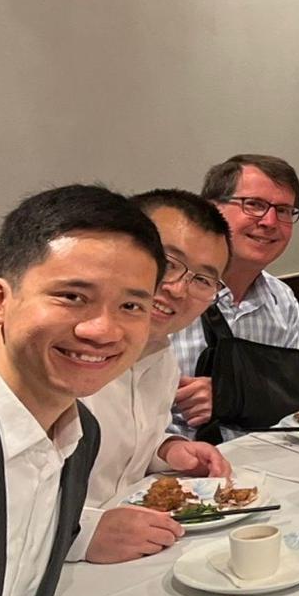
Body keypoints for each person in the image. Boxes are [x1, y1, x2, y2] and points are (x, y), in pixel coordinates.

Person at [0, 186, 164, 596]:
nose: (101, 330)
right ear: (1, 300)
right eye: (72, 297)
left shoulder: (74, 436)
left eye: (132, 306)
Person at [74, 190, 234, 564]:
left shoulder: (161, 357)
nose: (177, 288)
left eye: (203, 280)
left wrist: (166, 450)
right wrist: (78, 534)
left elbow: (119, 442)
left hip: (130, 556)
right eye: (167, 260)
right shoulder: (63, 351)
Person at [169, 154, 299, 439]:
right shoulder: (165, 294)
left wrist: (229, 397)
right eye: (253, 205)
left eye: (283, 210)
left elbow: (290, 408)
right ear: (210, 209)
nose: (270, 221)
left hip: (264, 461)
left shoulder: (282, 301)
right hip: (164, 470)